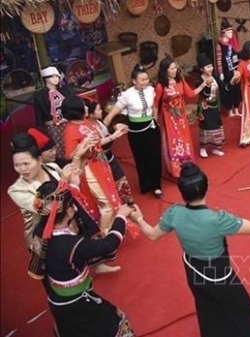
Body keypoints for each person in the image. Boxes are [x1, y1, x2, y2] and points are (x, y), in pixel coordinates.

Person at [130, 161, 250, 337]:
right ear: (206, 187)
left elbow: (152, 234)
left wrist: (139, 219)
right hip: (218, 270)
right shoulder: (218, 220)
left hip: (193, 267)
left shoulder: (174, 213)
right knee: (236, 302)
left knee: (206, 304)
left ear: (182, 192)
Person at [34, 180, 136, 337]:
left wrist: (72, 184)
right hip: (78, 302)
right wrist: (121, 216)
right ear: (69, 212)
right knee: (111, 326)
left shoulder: (39, 232)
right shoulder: (74, 245)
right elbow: (110, 244)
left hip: (57, 299)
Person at [63, 96, 123, 232]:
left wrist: (114, 136)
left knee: (110, 197)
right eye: (83, 106)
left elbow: (97, 142)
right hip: (89, 169)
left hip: (101, 164)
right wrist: (84, 146)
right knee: (105, 203)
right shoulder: (70, 129)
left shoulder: (85, 122)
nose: (86, 108)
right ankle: (104, 234)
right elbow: (71, 155)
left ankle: (112, 229)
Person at [105, 64, 162, 197]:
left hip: (151, 127)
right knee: (141, 157)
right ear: (134, 81)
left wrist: (155, 117)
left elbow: (154, 105)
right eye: (142, 80)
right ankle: (145, 184)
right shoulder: (127, 95)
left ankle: (156, 185)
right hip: (136, 130)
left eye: (147, 79)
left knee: (155, 156)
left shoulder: (151, 90)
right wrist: (106, 123)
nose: (145, 82)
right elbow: (115, 111)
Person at [155, 56, 204, 178]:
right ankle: (176, 168)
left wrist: (203, 85)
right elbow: (155, 104)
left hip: (181, 116)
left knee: (184, 138)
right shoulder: (160, 86)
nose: (175, 70)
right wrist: (154, 120)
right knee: (173, 140)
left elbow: (190, 94)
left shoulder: (180, 80)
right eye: (172, 68)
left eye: (175, 67)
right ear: (165, 70)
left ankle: (188, 163)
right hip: (169, 117)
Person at [85, 99, 133, 203]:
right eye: (98, 109)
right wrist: (115, 134)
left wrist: (116, 128)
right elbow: (100, 142)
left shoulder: (98, 122)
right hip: (99, 159)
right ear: (91, 114)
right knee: (108, 183)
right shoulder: (88, 128)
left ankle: (127, 201)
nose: (101, 110)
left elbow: (107, 135)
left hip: (109, 155)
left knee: (120, 178)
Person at [33, 66, 73, 160]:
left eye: (57, 76)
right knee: (58, 153)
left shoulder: (65, 91)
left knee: (72, 148)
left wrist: (68, 118)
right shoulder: (40, 96)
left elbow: (73, 107)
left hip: (68, 124)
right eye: (52, 76)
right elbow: (39, 118)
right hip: (51, 128)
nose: (55, 79)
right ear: (45, 78)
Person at [196, 54, 226, 158]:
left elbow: (223, 86)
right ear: (201, 69)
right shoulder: (199, 80)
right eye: (207, 67)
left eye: (211, 66)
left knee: (216, 125)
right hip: (205, 106)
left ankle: (215, 147)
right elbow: (205, 94)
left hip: (214, 105)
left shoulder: (214, 76)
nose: (210, 68)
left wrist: (233, 81)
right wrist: (207, 85)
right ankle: (203, 148)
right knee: (206, 126)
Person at [217, 21, 242, 117]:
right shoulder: (219, 46)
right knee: (227, 90)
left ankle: (236, 109)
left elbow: (235, 58)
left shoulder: (231, 45)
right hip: (226, 71)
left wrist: (237, 69)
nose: (231, 34)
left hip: (234, 70)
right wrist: (221, 72)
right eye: (229, 32)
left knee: (236, 89)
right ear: (224, 33)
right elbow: (219, 60)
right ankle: (229, 110)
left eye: (232, 32)